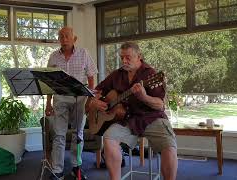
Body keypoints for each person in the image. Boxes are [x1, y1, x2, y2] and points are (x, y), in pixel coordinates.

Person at [86, 42, 178, 180]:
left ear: (139, 56)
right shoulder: (117, 75)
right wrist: (94, 102)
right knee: (109, 138)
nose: (124, 61)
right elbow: (96, 91)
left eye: (128, 57)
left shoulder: (151, 75)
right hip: (127, 119)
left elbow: (160, 105)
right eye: (122, 57)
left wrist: (144, 97)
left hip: (151, 118)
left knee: (170, 147)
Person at [45, 26, 98, 180]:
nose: (64, 39)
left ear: (74, 38)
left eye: (67, 36)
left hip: (80, 98)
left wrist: (90, 99)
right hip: (60, 98)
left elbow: (91, 76)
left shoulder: (83, 53)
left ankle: (76, 167)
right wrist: (48, 103)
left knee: (78, 134)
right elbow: (49, 82)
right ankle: (57, 170)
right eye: (61, 36)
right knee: (59, 135)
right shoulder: (53, 56)